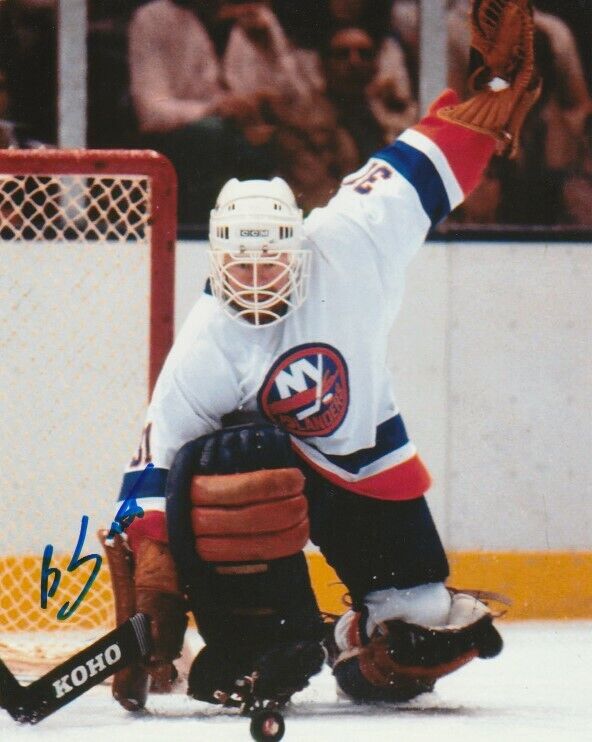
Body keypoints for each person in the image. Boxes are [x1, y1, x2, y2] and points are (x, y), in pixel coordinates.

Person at [106, 0, 538, 711]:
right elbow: (157, 460)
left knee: (423, 630)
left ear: (298, 243)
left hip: (364, 464)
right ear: (216, 256)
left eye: (269, 262)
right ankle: (267, 633)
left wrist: (487, 95)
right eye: (238, 267)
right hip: (264, 475)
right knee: (221, 464)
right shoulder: (209, 334)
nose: (254, 280)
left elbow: (425, 165)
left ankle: (348, 636)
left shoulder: (351, 238)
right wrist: (155, 582)